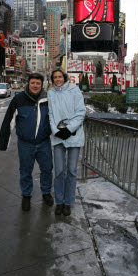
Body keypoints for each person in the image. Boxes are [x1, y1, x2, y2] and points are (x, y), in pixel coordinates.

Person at [0, 73, 53, 212]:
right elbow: (8, 121)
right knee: (25, 171)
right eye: (33, 83)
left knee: (47, 170)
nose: (35, 86)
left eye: (38, 84)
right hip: (25, 144)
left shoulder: (48, 99)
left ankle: (46, 193)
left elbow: (56, 117)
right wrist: (3, 143)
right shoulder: (18, 99)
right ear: (28, 83)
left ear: (42, 85)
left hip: (43, 142)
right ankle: (26, 196)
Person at [48, 68, 86, 217]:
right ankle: (59, 201)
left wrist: (69, 129)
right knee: (58, 171)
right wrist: (56, 131)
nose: (58, 79)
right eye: (55, 77)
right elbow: (50, 114)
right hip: (58, 136)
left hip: (74, 136)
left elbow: (81, 112)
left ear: (64, 77)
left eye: (60, 76)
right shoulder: (51, 93)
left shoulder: (74, 90)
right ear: (52, 79)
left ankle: (69, 202)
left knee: (71, 171)